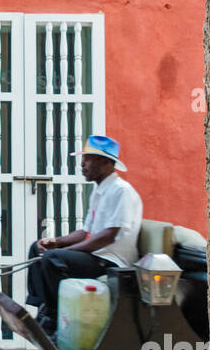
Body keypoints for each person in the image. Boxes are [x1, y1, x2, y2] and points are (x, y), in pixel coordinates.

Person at [25, 134, 143, 339]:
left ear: (106, 163)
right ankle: (43, 308)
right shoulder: (100, 191)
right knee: (37, 248)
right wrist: (56, 242)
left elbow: (108, 236)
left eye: (88, 159)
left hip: (111, 262)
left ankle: (53, 317)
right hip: (96, 256)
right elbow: (85, 232)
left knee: (53, 259)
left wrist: (64, 251)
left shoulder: (121, 191)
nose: (82, 164)